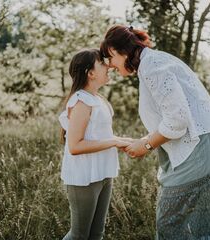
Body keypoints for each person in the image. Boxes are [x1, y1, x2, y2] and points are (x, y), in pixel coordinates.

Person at [100, 25, 210, 239]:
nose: (110, 66)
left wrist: (147, 145)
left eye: (110, 60)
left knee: (169, 221)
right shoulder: (153, 61)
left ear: (114, 51)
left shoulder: (152, 66)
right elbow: (173, 116)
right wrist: (144, 140)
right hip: (209, 138)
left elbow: (177, 121)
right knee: (200, 220)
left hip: (200, 143)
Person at [58, 48, 132, 240]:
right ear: (90, 73)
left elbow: (99, 135)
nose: (108, 65)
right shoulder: (81, 101)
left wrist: (122, 141)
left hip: (103, 171)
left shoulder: (98, 99)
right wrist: (114, 142)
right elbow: (75, 146)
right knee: (79, 235)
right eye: (102, 63)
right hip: (84, 176)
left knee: (96, 234)